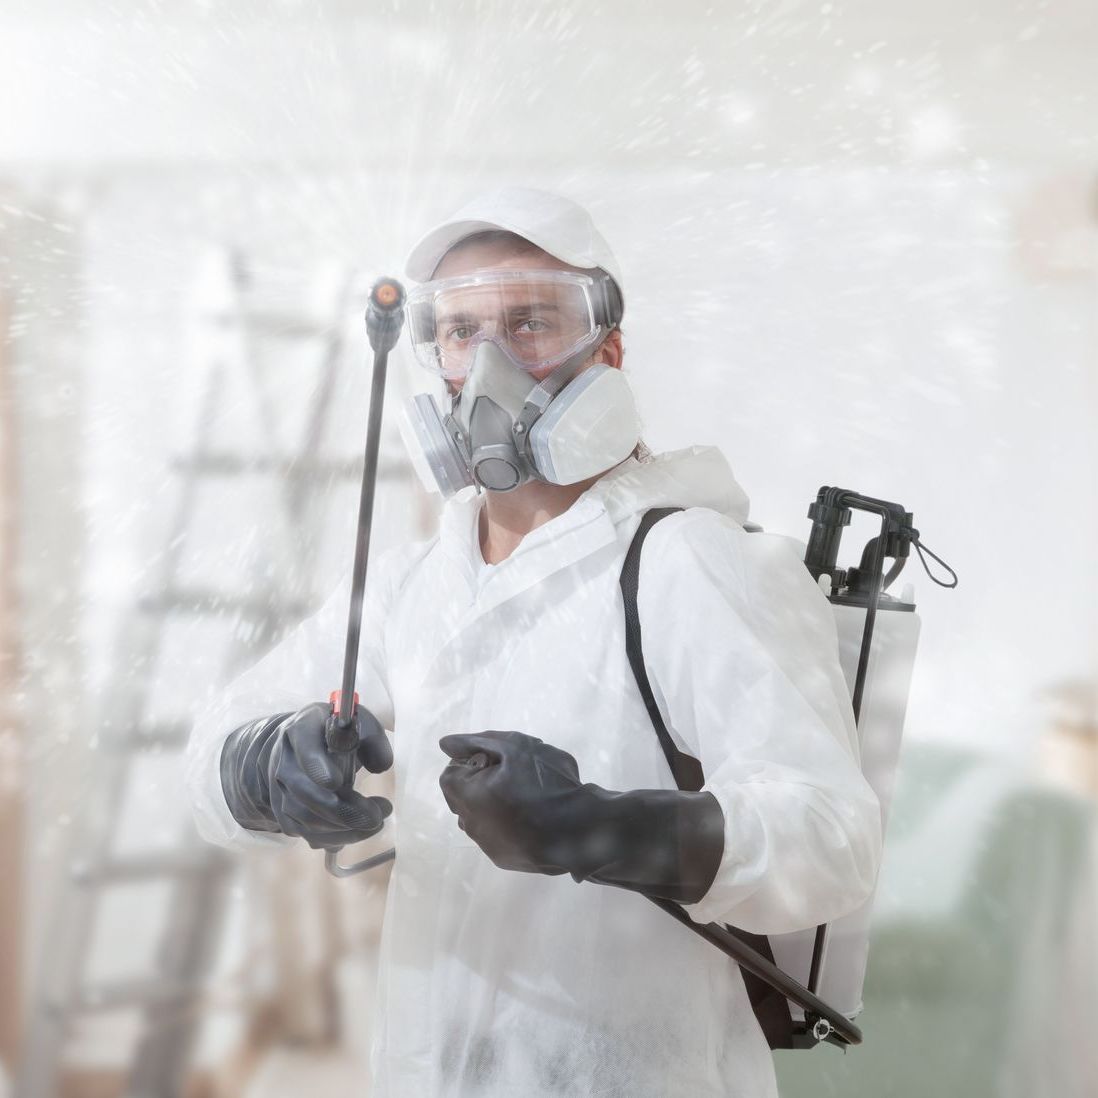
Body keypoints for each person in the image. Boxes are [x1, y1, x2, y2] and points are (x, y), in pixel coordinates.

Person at [184, 186, 883, 1097]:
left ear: (609, 350)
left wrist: (605, 825)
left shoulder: (690, 563)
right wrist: (267, 766)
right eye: (460, 331)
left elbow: (832, 843)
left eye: (532, 323)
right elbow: (205, 759)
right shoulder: (415, 586)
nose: (490, 365)